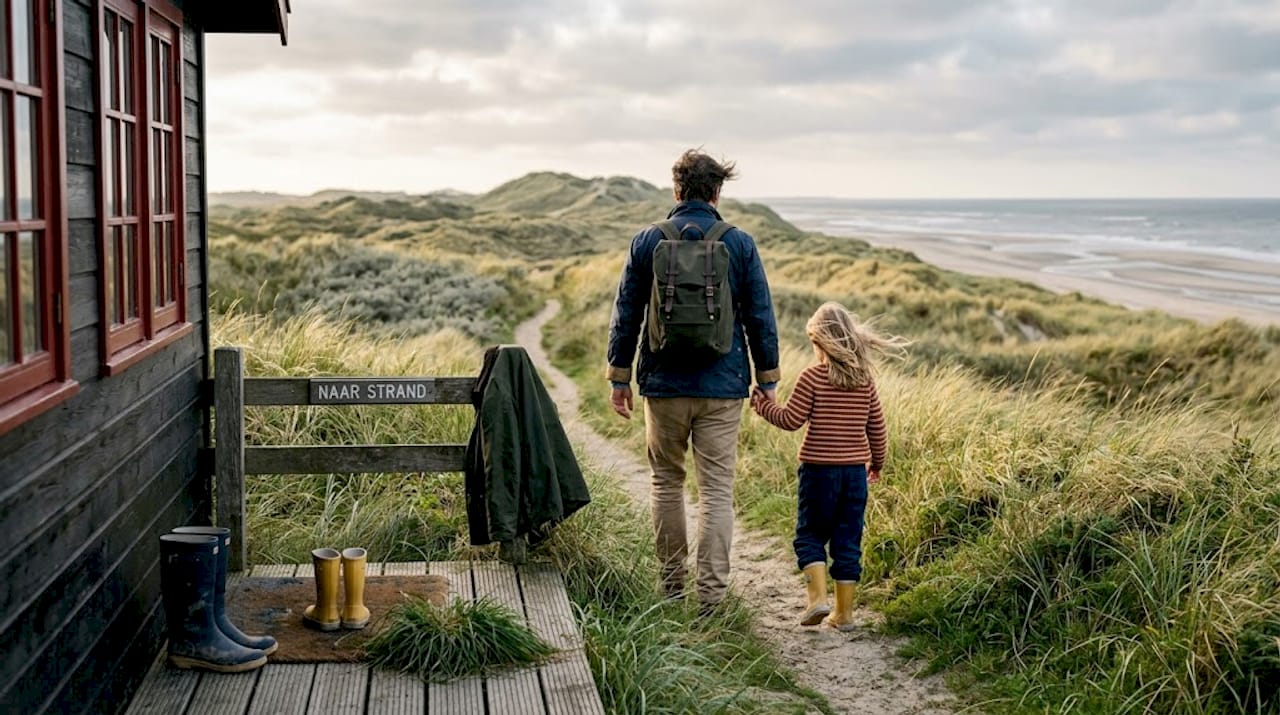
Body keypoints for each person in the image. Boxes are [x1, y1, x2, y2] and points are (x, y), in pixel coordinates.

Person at [607, 149, 781, 612]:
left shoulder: (647, 240)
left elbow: (627, 313)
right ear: (717, 192)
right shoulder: (739, 243)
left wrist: (619, 377)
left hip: (663, 386)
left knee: (666, 483)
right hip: (722, 387)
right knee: (716, 491)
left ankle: (670, 589)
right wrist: (768, 379)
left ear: (676, 189)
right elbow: (760, 315)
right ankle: (711, 599)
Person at [749, 301, 906, 630]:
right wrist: (877, 463)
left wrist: (763, 407)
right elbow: (877, 429)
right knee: (847, 542)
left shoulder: (812, 377)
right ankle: (844, 615)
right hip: (854, 475)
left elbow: (791, 420)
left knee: (809, 536)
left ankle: (817, 601)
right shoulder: (865, 382)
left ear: (820, 342)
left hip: (818, 472)